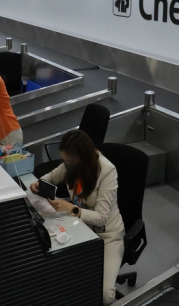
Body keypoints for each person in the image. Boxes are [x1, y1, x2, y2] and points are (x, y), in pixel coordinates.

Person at [30, 130, 125, 305]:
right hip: (80, 228)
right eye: (64, 161)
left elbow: (102, 218)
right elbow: (51, 176)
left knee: (104, 295)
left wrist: (72, 209)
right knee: (56, 272)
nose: (65, 165)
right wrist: (39, 183)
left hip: (107, 236)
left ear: (83, 158)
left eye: (69, 162)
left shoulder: (107, 171)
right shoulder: (70, 165)